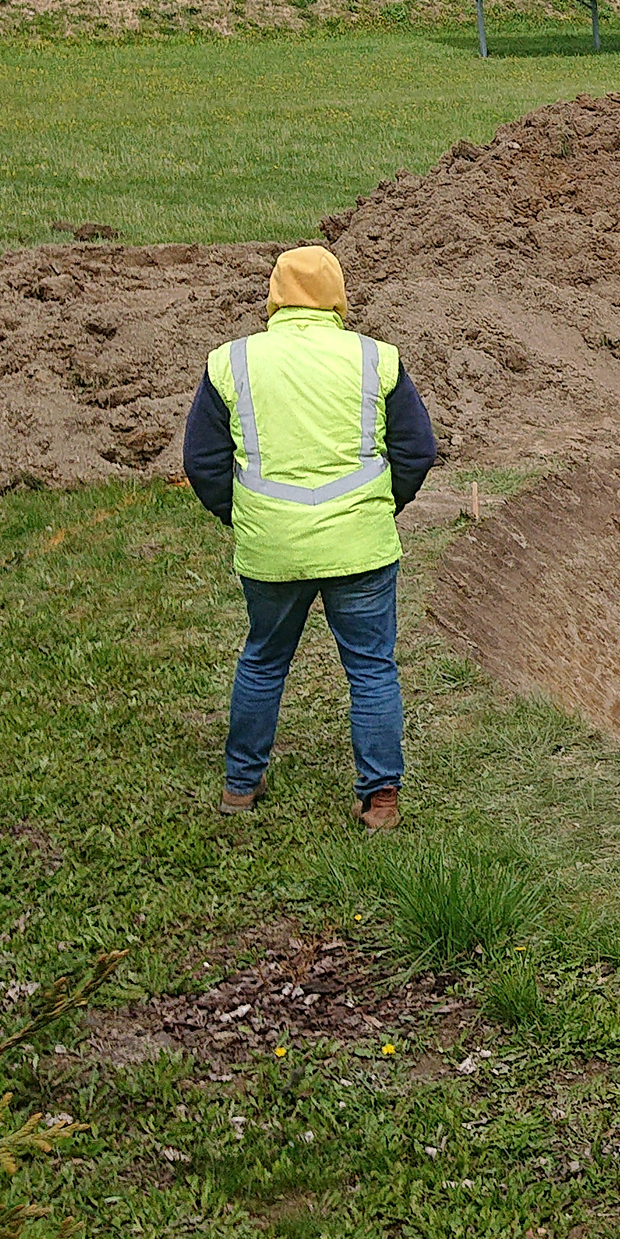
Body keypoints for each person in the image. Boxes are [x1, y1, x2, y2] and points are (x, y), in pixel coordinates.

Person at [182, 245, 439, 828]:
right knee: (372, 668)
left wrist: (244, 515)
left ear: (273, 294)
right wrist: (379, 508)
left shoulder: (232, 362)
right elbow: (417, 450)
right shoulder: (377, 359)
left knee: (264, 659)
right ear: (338, 296)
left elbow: (202, 460)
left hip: (271, 548)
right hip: (360, 548)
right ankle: (380, 800)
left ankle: (241, 786)